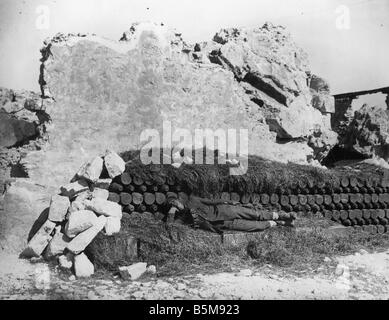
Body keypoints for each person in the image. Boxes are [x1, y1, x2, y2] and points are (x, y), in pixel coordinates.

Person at [166, 195, 278, 233]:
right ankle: (271, 224)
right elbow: (170, 227)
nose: (175, 205)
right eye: (171, 204)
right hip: (220, 224)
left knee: (251, 213)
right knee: (249, 226)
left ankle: (274, 216)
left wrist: (229, 202)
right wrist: (171, 212)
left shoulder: (193, 200)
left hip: (224, 211)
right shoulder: (182, 218)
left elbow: (212, 201)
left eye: (174, 202)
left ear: (178, 199)